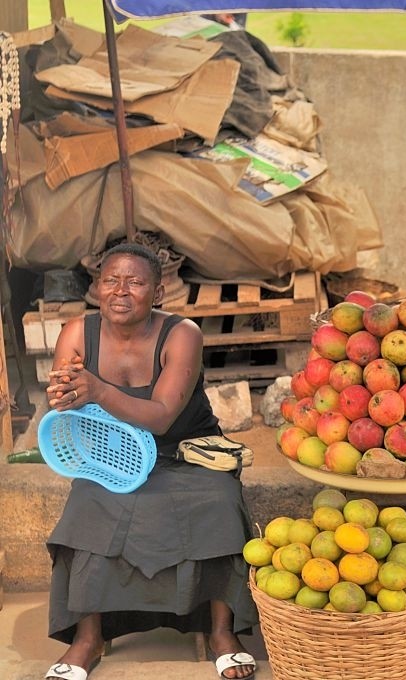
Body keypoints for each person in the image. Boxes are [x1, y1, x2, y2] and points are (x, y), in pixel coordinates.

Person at [43, 243, 257, 680]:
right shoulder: (76, 333)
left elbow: (161, 418)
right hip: (109, 451)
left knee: (219, 500)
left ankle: (222, 633)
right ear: (97, 287)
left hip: (185, 451)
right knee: (86, 505)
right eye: (111, 280)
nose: (120, 291)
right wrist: (64, 397)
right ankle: (87, 639)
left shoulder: (182, 334)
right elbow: (70, 406)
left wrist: (98, 391)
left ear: (157, 293)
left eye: (135, 282)